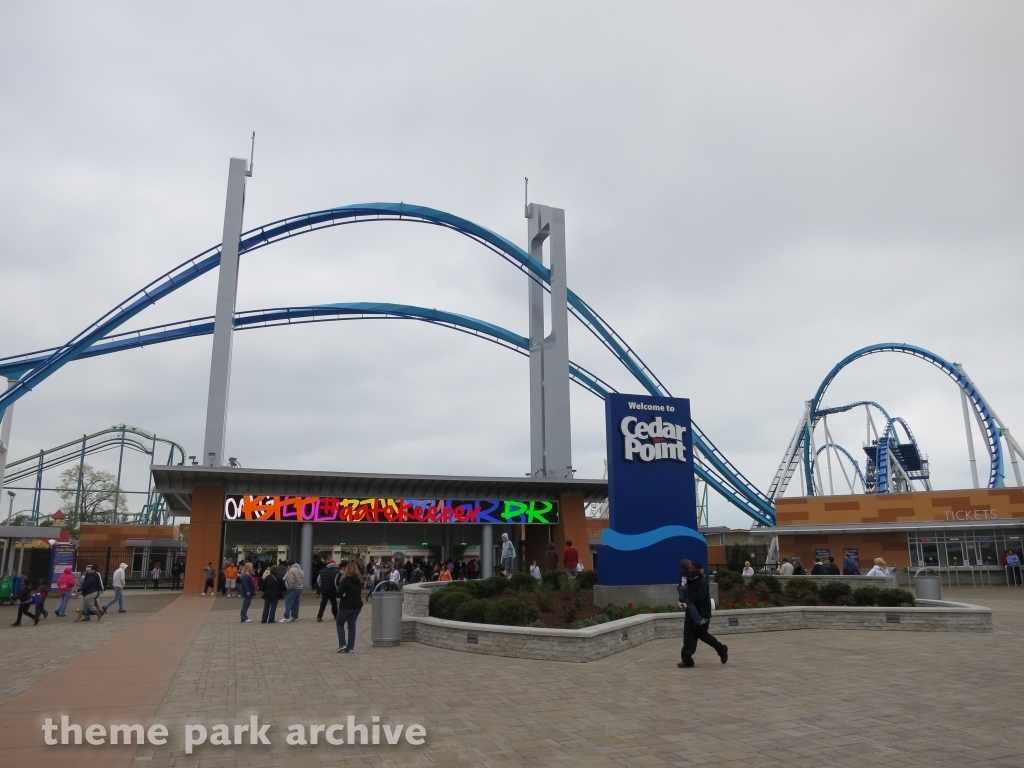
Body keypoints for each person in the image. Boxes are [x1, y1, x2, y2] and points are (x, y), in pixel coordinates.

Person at [678, 560, 727, 668]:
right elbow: (681, 590)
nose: (689, 570)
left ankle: (721, 649)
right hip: (690, 614)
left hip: (702, 614)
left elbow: (698, 598)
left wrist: (686, 592)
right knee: (688, 636)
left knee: (703, 636)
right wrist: (682, 596)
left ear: (698, 570)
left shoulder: (703, 583)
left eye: (691, 568)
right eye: (689, 568)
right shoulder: (688, 581)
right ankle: (687, 660)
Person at [336, 562, 366, 653]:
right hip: (357, 605)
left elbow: (339, 593)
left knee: (340, 624)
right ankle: (351, 647)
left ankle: (342, 644)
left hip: (346, 605)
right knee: (352, 626)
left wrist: (341, 595)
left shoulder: (345, 580)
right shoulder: (360, 580)